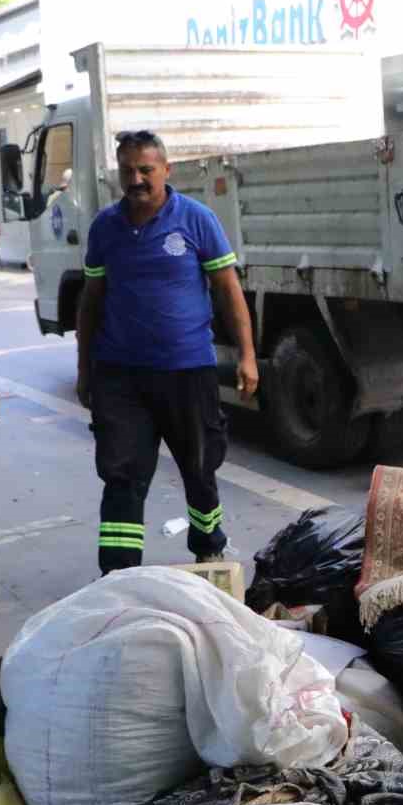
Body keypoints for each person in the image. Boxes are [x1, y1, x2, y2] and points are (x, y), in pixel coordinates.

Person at [75, 129, 258, 573]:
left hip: (187, 369)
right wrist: (86, 370)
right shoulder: (105, 227)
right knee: (122, 474)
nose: (135, 179)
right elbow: (91, 301)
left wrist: (248, 355)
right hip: (120, 376)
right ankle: (119, 575)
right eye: (127, 170)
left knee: (199, 467)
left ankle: (208, 549)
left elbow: (229, 290)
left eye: (145, 170)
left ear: (166, 170)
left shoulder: (196, 219)